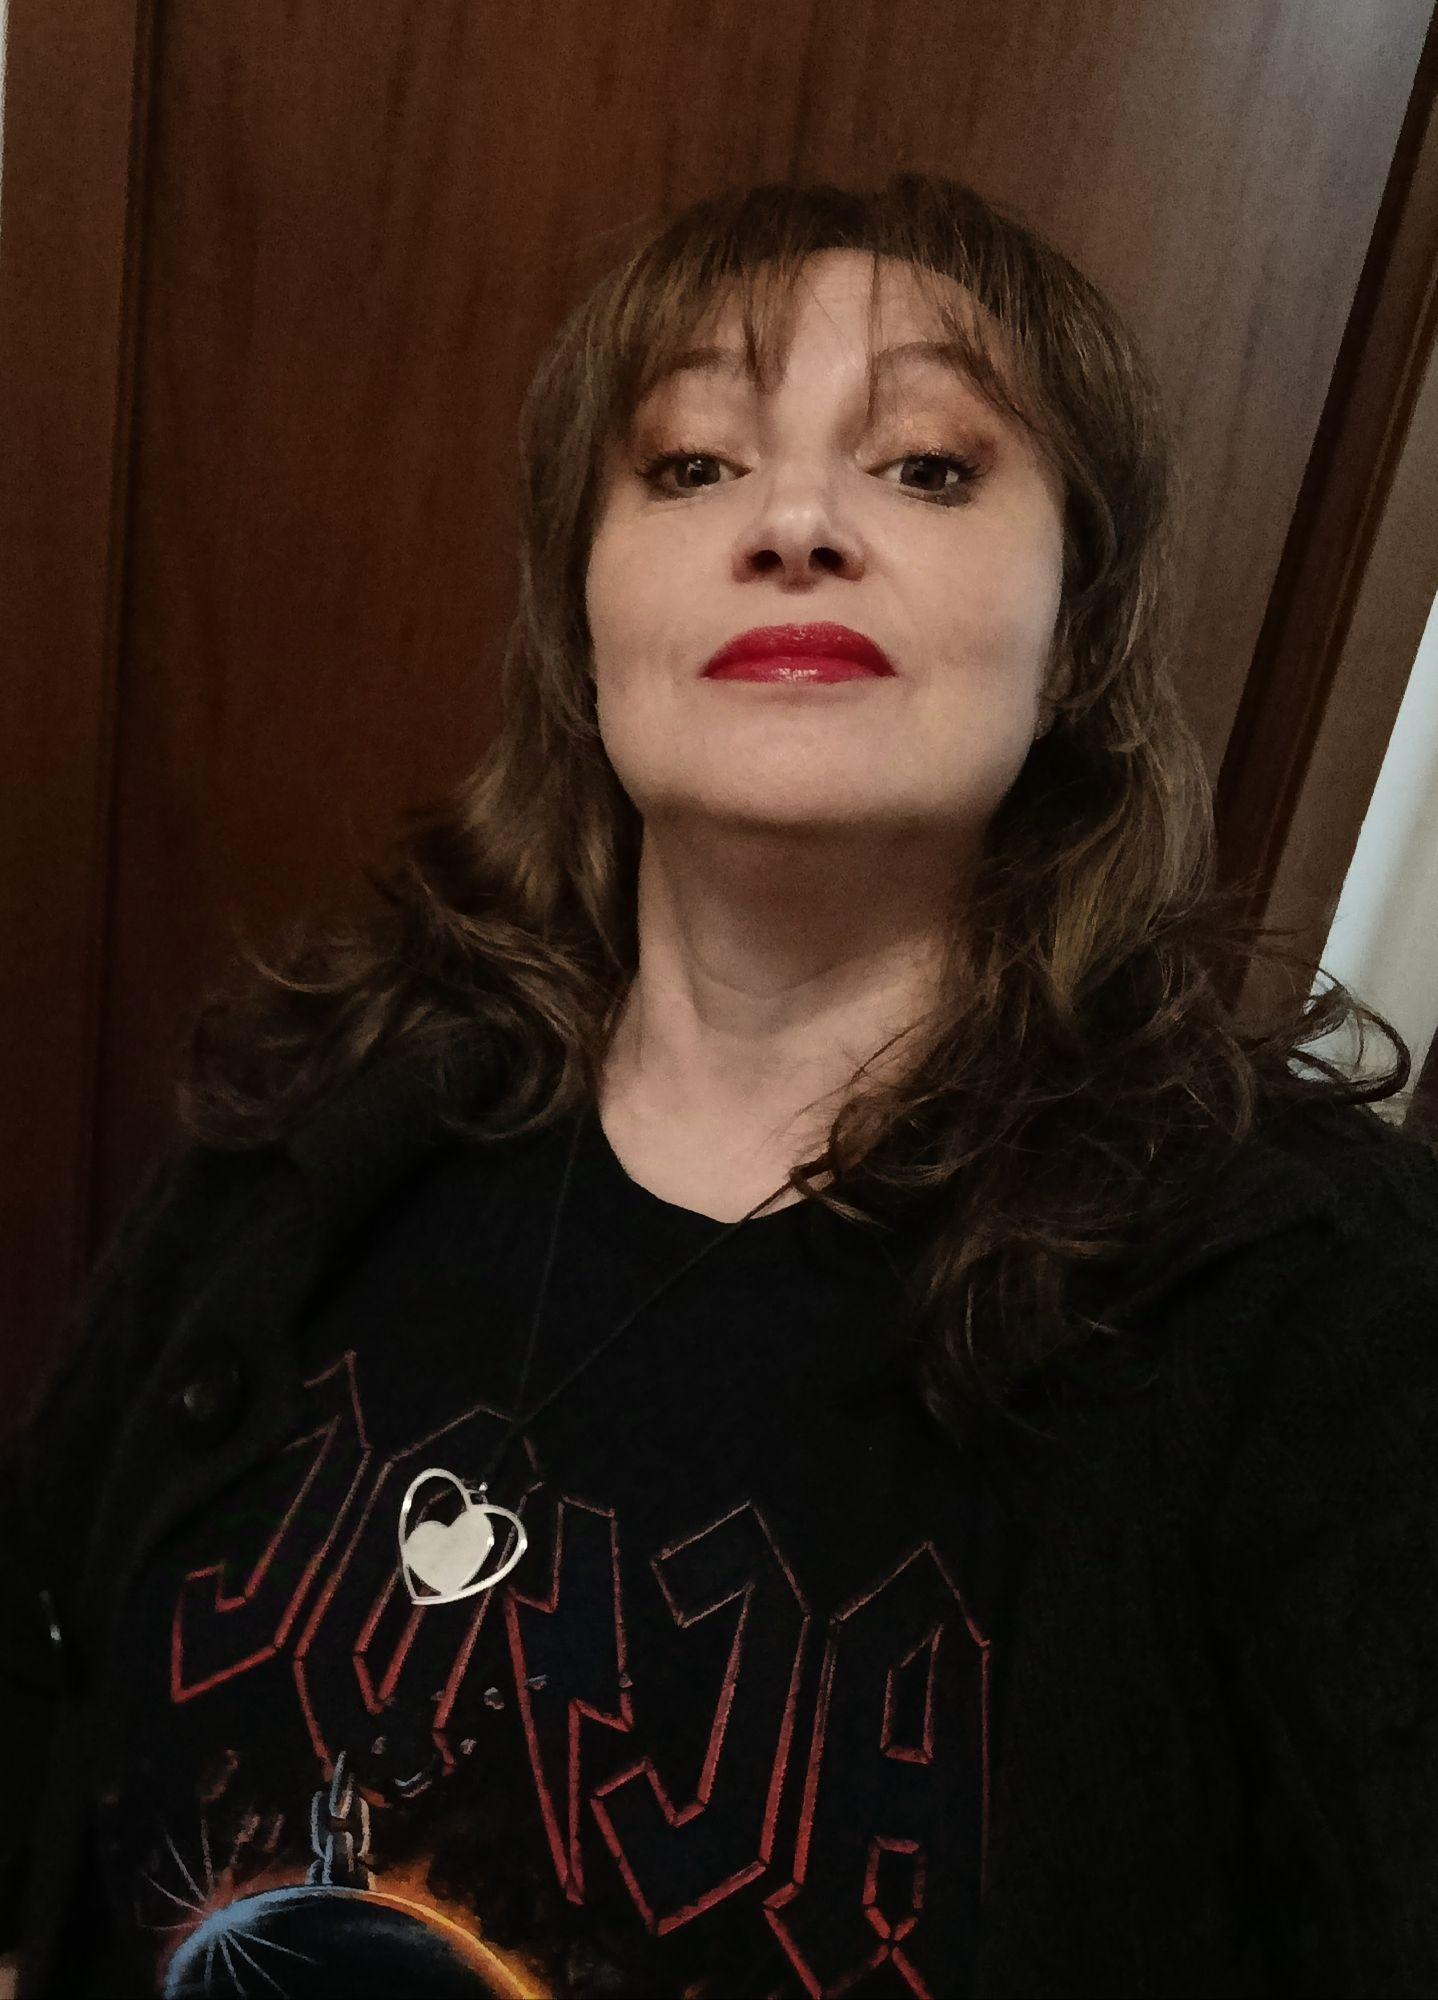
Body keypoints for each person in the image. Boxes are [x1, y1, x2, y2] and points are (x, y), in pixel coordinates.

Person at [3, 170, 1436, 2000]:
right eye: (690, 464)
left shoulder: (1315, 1311)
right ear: (582, 616)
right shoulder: (323, 1111)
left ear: (1076, 631)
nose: (796, 524)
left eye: (926, 466)